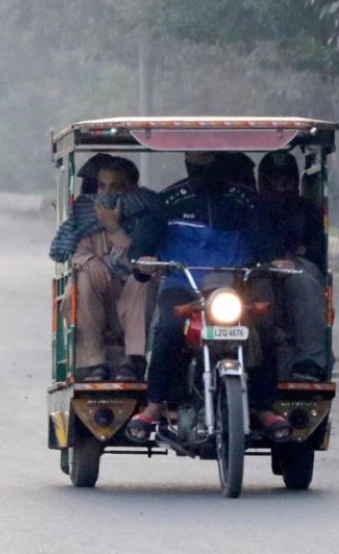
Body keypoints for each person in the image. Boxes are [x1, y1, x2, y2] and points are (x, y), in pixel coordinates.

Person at [127, 151, 291, 442]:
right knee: (167, 330)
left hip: (235, 285)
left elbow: (266, 243)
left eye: (209, 164)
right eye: (196, 165)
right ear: (188, 164)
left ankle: (265, 407)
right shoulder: (167, 201)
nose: (202, 172)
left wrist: (276, 260)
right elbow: (142, 245)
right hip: (183, 284)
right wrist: (143, 258)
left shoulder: (246, 201)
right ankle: (153, 405)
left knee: (264, 329)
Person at [52, 155, 164, 382]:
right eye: (102, 186)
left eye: (116, 186)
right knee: (83, 278)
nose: (107, 193)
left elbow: (136, 258)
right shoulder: (87, 216)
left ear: (132, 187)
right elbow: (78, 254)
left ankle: (133, 359)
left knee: (142, 277)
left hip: (136, 302)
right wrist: (91, 262)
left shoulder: (146, 216)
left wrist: (114, 228)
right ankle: (94, 363)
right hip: (100, 300)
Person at [257, 150, 332, 382]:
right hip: (249, 264)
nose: (281, 185)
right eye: (274, 179)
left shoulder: (306, 211)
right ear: (263, 181)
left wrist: (288, 256)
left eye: (287, 178)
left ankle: (310, 360)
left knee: (303, 277)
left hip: (291, 267)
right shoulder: (249, 207)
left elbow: (314, 249)